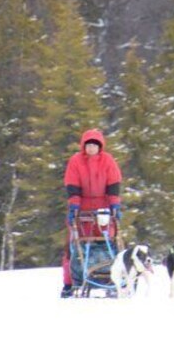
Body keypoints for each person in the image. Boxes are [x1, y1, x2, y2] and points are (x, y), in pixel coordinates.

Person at [60, 128, 123, 298]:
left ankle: (111, 277)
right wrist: (74, 206)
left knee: (107, 241)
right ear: (84, 146)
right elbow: (72, 185)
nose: (91, 148)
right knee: (75, 245)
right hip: (82, 207)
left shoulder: (108, 161)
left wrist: (115, 205)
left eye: (95, 145)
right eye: (88, 145)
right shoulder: (76, 161)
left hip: (103, 206)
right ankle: (70, 282)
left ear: (100, 146)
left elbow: (114, 185)